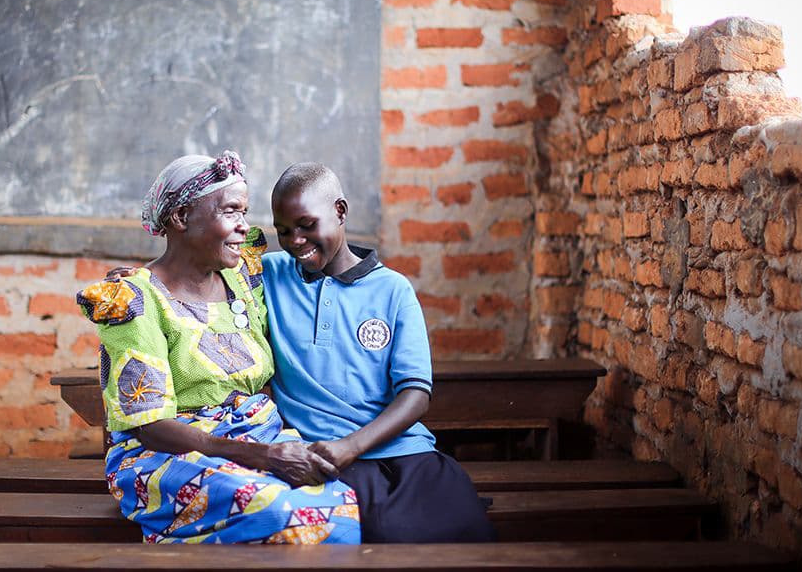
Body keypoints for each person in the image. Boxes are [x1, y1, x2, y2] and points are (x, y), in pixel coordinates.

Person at [75, 152, 360, 544]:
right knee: (272, 507)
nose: (245, 226)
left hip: (256, 437)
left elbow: (317, 252)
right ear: (180, 219)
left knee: (341, 501)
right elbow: (153, 429)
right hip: (167, 454)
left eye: (245, 212)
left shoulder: (243, 278)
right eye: (231, 212)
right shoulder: (137, 302)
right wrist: (265, 458)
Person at [261, 162, 496, 543]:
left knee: (467, 535)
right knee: (380, 538)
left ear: (340, 211)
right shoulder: (268, 275)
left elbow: (416, 395)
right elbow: (199, 267)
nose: (295, 241)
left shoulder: (393, 290)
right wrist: (141, 277)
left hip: (402, 451)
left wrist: (351, 446)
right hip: (318, 456)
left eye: (307, 225)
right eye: (284, 231)